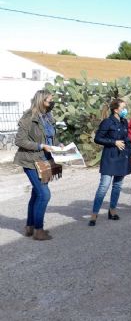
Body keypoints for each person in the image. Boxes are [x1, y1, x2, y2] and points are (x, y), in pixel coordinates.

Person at [13, 90, 60, 241]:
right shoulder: (28, 118)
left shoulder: (48, 117)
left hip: (45, 160)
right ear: (40, 101)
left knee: (36, 193)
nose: (51, 103)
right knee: (44, 194)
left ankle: (30, 226)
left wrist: (60, 145)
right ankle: (39, 231)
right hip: (31, 161)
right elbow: (19, 141)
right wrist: (40, 146)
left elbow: (51, 138)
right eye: (48, 100)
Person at [89, 98, 131, 226]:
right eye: (123, 108)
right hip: (110, 158)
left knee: (117, 186)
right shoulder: (107, 122)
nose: (125, 110)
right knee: (104, 186)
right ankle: (94, 214)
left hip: (122, 158)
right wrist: (114, 142)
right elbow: (98, 139)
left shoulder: (124, 122)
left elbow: (126, 138)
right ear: (115, 109)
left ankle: (112, 210)